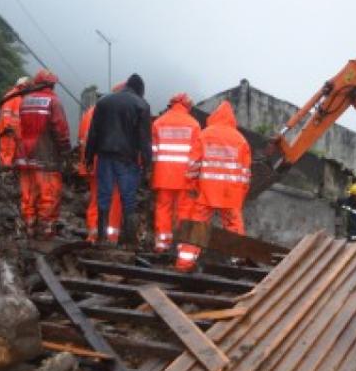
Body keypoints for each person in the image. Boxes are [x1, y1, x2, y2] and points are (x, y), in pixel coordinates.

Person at [175, 100, 251, 271]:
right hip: (230, 194)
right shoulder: (241, 140)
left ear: (214, 117)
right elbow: (246, 174)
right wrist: (240, 196)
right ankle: (238, 263)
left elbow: (193, 165)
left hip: (207, 191)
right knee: (234, 227)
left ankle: (184, 263)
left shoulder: (205, 134)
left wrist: (192, 185)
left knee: (197, 226)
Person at [84, 73, 152, 247]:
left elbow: (94, 132)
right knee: (128, 198)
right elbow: (144, 139)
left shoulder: (104, 102)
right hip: (127, 160)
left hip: (105, 157)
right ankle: (128, 241)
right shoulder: (142, 105)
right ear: (140, 90)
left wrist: (89, 157)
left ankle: (101, 238)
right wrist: (147, 165)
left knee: (103, 196)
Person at [15, 69, 71, 238]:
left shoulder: (24, 101)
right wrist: (65, 150)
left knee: (28, 193)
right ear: (51, 84)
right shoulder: (53, 102)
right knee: (49, 193)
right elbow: (60, 129)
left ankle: (29, 225)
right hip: (45, 155)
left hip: (25, 155)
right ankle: (45, 228)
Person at [151, 93, 202, 253]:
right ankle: (181, 245)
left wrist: (155, 171)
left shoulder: (158, 123)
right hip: (184, 178)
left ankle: (162, 243)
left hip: (163, 176)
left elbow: (153, 153)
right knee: (184, 211)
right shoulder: (194, 125)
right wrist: (194, 178)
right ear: (187, 106)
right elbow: (196, 156)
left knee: (163, 208)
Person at [78, 90, 124, 243]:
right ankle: (110, 236)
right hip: (110, 164)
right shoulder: (116, 114)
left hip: (92, 165)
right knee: (114, 199)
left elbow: (82, 140)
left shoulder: (88, 114)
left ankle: (93, 233)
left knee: (96, 198)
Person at [0, 76, 29, 168]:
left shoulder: (18, 97)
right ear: (21, 86)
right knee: (6, 152)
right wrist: (8, 127)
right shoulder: (13, 95)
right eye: (26, 87)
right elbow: (6, 112)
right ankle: (4, 172)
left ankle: (4, 171)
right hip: (7, 130)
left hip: (13, 131)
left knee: (10, 152)